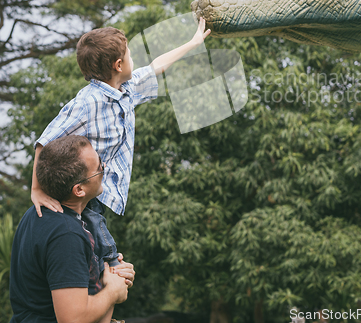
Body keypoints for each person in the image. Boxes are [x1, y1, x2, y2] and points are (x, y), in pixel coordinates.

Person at [30, 18, 211, 268]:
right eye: (129, 56)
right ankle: (112, 267)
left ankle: (105, 266)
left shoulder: (126, 88)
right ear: (118, 65)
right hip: (81, 189)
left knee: (94, 235)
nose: (132, 60)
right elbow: (44, 141)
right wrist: (37, 190)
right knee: (103, 243)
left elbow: (157, 66)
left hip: (101, 189)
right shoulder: (87, 102)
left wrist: (194, 42)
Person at [10, 135, 135, 323]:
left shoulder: (36, 214)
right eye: (99, 168)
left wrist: (112, 274)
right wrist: (112, 291)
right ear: (79, 190)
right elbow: (73, 319)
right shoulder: (66, 234)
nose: (104, 169)